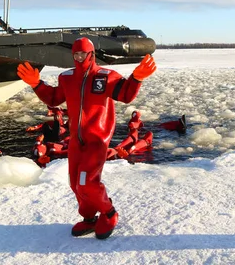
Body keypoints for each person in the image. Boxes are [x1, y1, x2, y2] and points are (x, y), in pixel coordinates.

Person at [17, 37, 156, 239]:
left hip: (97, 140)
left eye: (83, 54)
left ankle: (109, 213)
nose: (80, 57)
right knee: (75, 183)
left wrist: (136, 78)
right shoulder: (67, 77)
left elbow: (125, 95)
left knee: (87, 182)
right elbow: (54, 99)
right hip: (76, 140)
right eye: (76, 54)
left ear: (91, 54)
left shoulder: (106, 76)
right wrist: (37, 84)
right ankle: (89, 218)